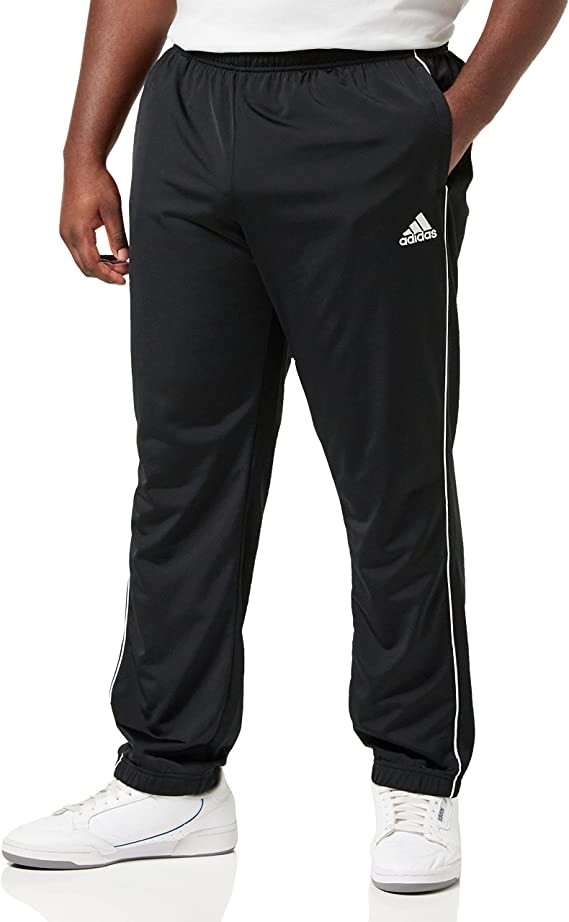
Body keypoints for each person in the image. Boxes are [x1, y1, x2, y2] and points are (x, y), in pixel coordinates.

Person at [2, 0, 566, 893]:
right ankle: (169, 777)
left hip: (372, 99)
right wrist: (84, 149)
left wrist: (451, 124)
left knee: (390, 468)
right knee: (183, 469)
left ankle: (416, 776)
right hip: (191, 106)